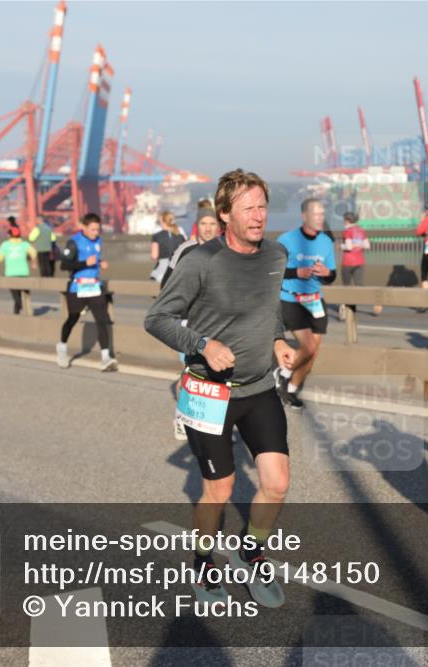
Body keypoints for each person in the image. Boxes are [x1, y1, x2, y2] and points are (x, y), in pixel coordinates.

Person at [144, 168, 295, 609]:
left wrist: (279, 339)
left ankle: (250, 552)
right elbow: (157, 319)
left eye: (263, 206)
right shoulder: (200, 262)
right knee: (220, 490)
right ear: (225, 213)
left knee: (278, 483)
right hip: (210, 392)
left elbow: (269, 309)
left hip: (259, 387)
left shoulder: (276, 255)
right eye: (248, 208)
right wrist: (203, 345)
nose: (258, 215)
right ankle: (205, 561)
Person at [159, 204, 222, 442]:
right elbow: (166, 284)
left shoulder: (225, 249)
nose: (208, 229)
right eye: (204, 224)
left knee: (218, 374)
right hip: (187, 321)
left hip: (217, 322)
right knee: (191, 372)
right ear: (198, 225)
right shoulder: (185, 249)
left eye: (212, 224)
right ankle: (181, 417)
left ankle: (215, 425)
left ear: (219, 226)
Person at [274, 197, 336, 409]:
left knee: (313, 353)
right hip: (291, 299)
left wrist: (327, 273)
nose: (320, 218)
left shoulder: (326, 242)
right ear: (304, 216)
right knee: (308, 346)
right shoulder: (287, 239)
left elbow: (332, 276)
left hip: (315, 300)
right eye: (316, 214)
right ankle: (282, 373)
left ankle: (290, 388)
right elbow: (273, 271)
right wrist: (296, 272)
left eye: (322, 214)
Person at [57, 213, 118, 372]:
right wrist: (86, 263)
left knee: (102, 319)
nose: (95, 232)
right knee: (72, 318)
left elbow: (94, 259)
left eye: (98, 229)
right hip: (77, 287)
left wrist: (100, 263)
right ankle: (62, 348)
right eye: (92, 229)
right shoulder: (74, 242)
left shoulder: (98, 240)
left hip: (94, 286)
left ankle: (105, 358)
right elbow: (64, 265)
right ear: (83, 227)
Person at [339, 211, 378, 319]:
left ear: (347, 220)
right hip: (360, 261)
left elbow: (348, 247)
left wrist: (341, 247)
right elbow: (367, 245)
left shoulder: (347, 231)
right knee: (359, 285)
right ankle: (374, 302)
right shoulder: (361, 231)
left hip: (348, 262)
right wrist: (358, 244)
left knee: (346, 286)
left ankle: (344, 311)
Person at [0, 226, 37, 315]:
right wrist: (33, 262)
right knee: (23, 293)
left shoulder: (5, 245)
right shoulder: (24, 244)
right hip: (23, 272)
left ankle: (22, 308)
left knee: (16, 295)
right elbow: (34, 252)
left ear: (10, 235)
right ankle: (16, 313)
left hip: (10, 273)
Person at [150, 210, 187, 282]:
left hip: (162, 269)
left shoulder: (157, 236)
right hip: (178, 270)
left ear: (163, 221)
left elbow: (154, 256)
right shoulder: (181, 237)